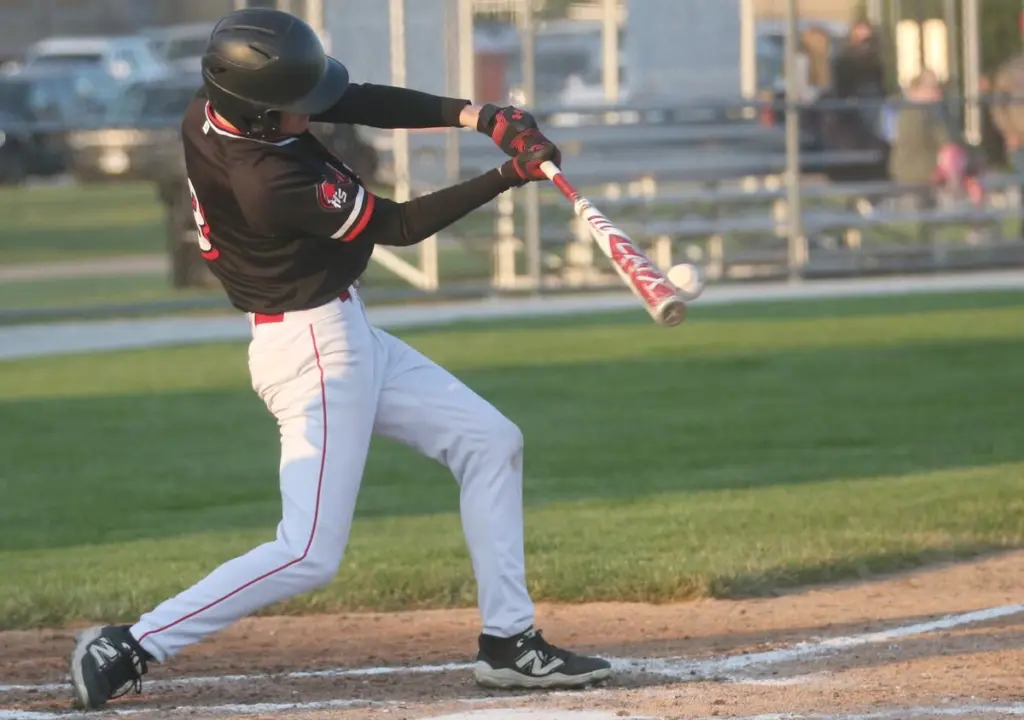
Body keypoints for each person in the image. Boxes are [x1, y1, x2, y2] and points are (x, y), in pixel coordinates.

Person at [67, 8, 612, 710]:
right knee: (308, 552)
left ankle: (509, 642)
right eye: (294, 108)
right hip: (315, 351)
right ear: (260, 117)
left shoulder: (212, 108)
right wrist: (509, 173)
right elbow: (400, 225)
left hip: (342, 332)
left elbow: (348, 97)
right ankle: (134, 643)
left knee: (491, 441)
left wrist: (479, 114)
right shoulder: (270, 182)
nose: (314, 114)